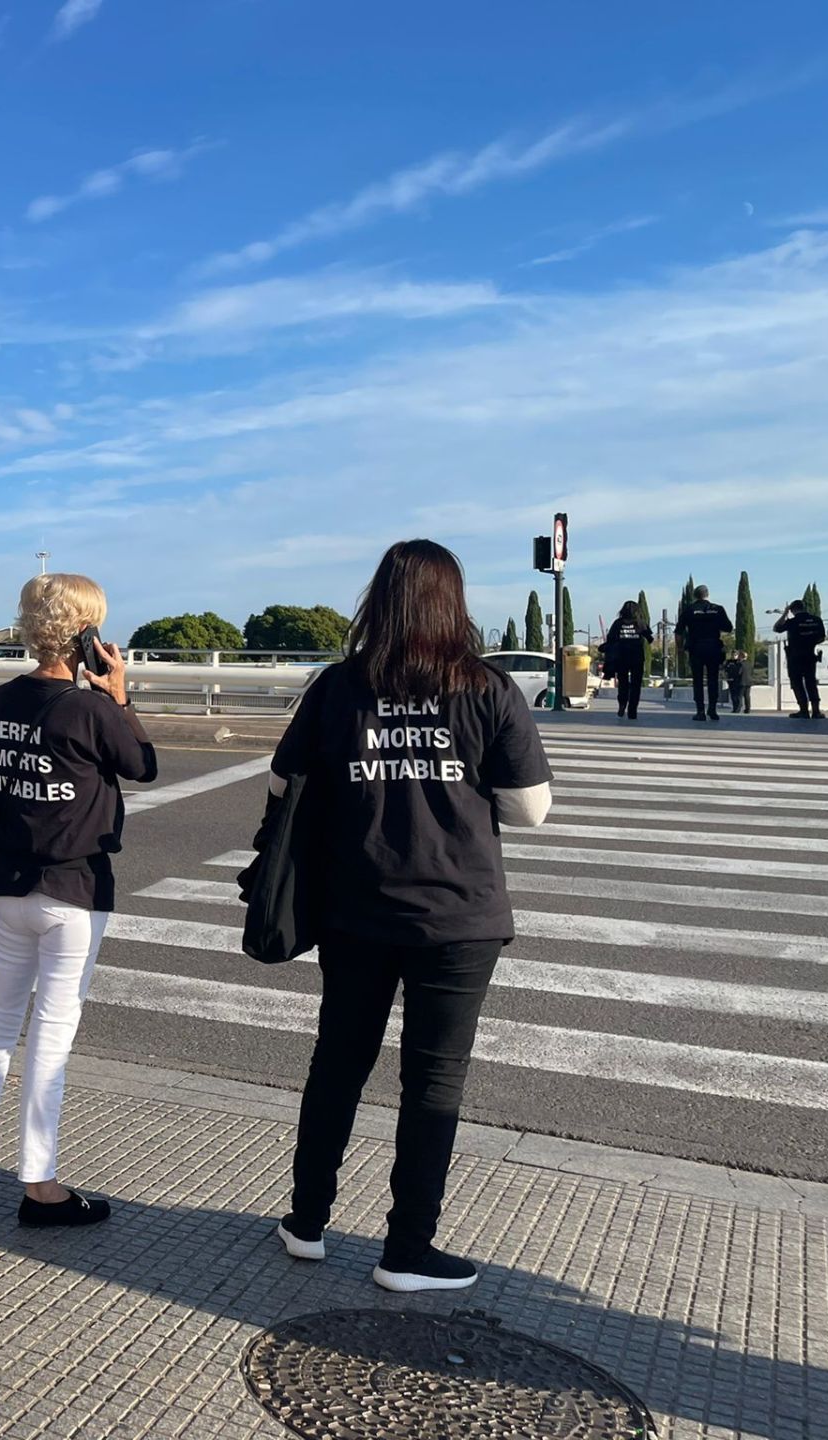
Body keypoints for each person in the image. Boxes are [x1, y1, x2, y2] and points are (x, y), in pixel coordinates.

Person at [271, 540, 552, 1293]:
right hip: (458, 917)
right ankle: (407, 1251)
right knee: (433, 1082)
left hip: (357, 908)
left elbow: (281, 779)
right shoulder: (487, 688)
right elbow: (530, 810)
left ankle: (306, 1221)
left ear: (380, 599)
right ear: (451, 603)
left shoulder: (337, 687)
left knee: (339, 1063)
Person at [0, 574, 157, 1228]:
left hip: (8, 884)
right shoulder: (91, 709)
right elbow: (142, 765)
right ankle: (40, 1184)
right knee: (52, 1035)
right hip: (72, 888)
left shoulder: (3, 699)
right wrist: (120, 697)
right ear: (87, 634)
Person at [676, 585, 733, 722]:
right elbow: (728, 627)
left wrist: (680, 650)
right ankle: (712, 709)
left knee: (698, 681)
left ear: (695, 595)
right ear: (707, 594)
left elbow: (679, 632)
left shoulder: (689, 610)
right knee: (713, 679)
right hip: (713, 647)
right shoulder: (717, 609)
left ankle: (700, 711)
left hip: (696, 648)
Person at [773, 600, 828, 720]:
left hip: (795, 656)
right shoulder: (816, 620)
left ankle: (803, 710)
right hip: (810, 655)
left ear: (792, 610)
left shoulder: (792, 621)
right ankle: (816, 711)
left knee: (797, 683)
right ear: (804, 608)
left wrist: (784, 614)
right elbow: (822, 637)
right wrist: (810, 642)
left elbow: (776, 628)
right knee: (811, 682)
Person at [603, 602, 653, 720]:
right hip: (637, 658)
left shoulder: (618, 623)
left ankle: (622, 703)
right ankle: (632, 710)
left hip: (621, 658)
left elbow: (610, 639)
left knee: (623, 683)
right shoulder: (640, 623)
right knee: (636, 685)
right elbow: (650, 639)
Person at [724, 649, 753, 715]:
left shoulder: (740, 664)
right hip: (749, 682)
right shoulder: (749, 663)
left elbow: (738, 672)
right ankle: (747, 709)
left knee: (739, 696)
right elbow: (751, 672)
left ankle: (737, 709)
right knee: (747, 696)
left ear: (741, 656)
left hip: (741, 682)